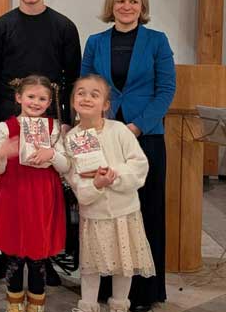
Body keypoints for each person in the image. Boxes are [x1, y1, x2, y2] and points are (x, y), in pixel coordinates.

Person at [0, 0, 80, 282]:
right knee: (10, 189)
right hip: (11, 116)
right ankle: (7, 252)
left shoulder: (64, 27)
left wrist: (66, 121)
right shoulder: (2, 26)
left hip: (49, 116)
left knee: (45, 189)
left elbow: (71, 78)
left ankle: (44, 256)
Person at [80, 0, 175, 312]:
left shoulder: (157, 41)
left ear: (142, 6)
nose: (127, 7)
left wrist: (137, 126)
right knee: (105, 214)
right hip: (103, 137)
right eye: (121, 1)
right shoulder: (95, 42)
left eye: (133, 1)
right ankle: (108, 287)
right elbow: (87, 87)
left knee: (145, 213)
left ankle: (145, 293)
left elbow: (166, 90)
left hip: (144, 138)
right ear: (112, 5)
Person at [65, 74, 155, 312]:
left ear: (105, 104)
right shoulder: (71, 139)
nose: (86, 98)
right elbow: (74, 179)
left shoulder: (119, 131)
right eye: (81, 93)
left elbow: (139, 164)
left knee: (124, 264)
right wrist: (95, 185)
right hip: (93, 214)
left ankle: (119, 306)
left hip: (124, 212)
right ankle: (88, 305)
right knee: (90, 265)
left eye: (94, 94)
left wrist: (111, 175)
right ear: (73, 100)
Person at [0, 75, 69, 312]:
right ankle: (14, 306)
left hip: (43, 197)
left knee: (37, 256)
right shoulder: (5, 128)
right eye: (31, 96)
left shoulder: (54, 129)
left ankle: (36, 306)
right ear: (19, 97)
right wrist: (2, 153)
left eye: (42, 98)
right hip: (14, 194)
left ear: (49, 102)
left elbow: (66, 166)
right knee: (14, 255)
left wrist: (52, 155)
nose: (36, 102)